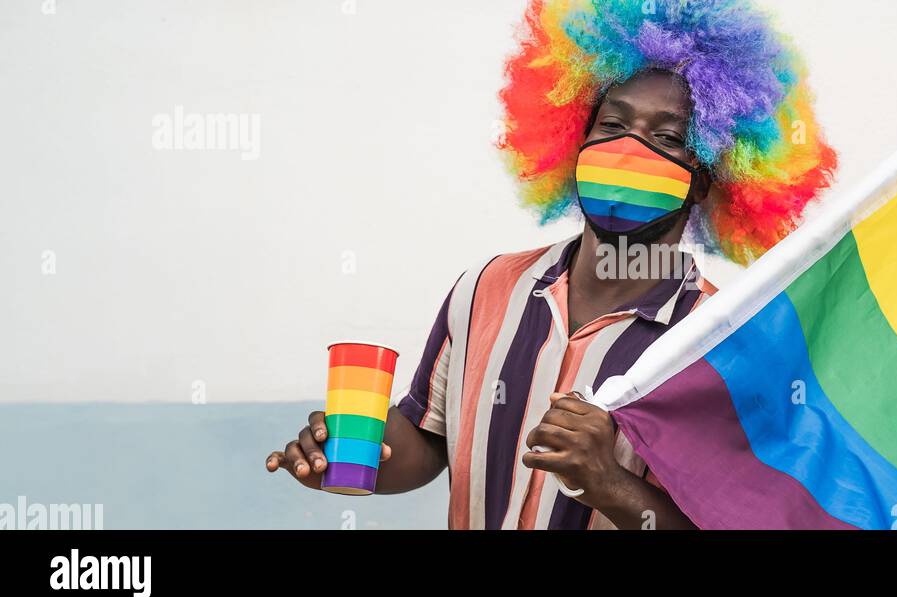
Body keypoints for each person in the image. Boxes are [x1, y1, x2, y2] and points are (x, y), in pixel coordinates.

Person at [265, 0, 836, 529]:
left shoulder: (722, 345)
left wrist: (609, 484)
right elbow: (427, 445)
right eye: (612, 126)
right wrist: (341, 451)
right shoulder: (485, 288)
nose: (629, 149)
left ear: (704, 179)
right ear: (574, 140)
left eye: (666, 137)